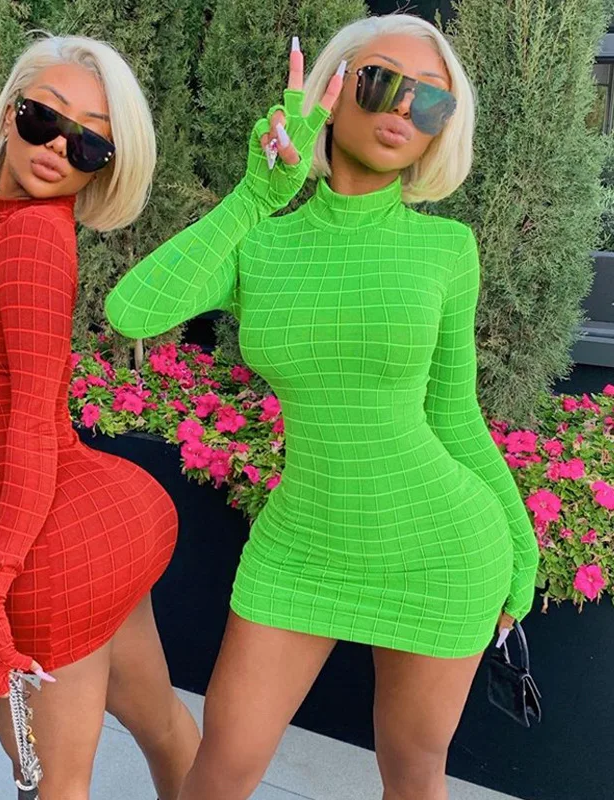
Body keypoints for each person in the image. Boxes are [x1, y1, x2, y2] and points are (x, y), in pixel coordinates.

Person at [104, 14, 539, 800]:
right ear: (331, 94)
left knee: (412, 774)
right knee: (221, 772)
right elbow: (131, 311)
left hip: (441, 551)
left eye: (430, 101)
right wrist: (253, 197)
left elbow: (455, 416)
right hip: (300, 548)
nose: (402, 108)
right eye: (381, 81)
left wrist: (521, 549)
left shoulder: (447, 251)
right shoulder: (263, 242)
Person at [0, 35, 199, 800]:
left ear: (104, 165)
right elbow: (5, 395)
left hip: (55, 544)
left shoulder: (34, 235)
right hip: (94, 518)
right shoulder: (7, 223)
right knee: (160, 722)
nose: (60, 146)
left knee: (55, 783)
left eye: (90, 142)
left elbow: (34, 421)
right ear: (10, 114)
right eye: (45, 118)